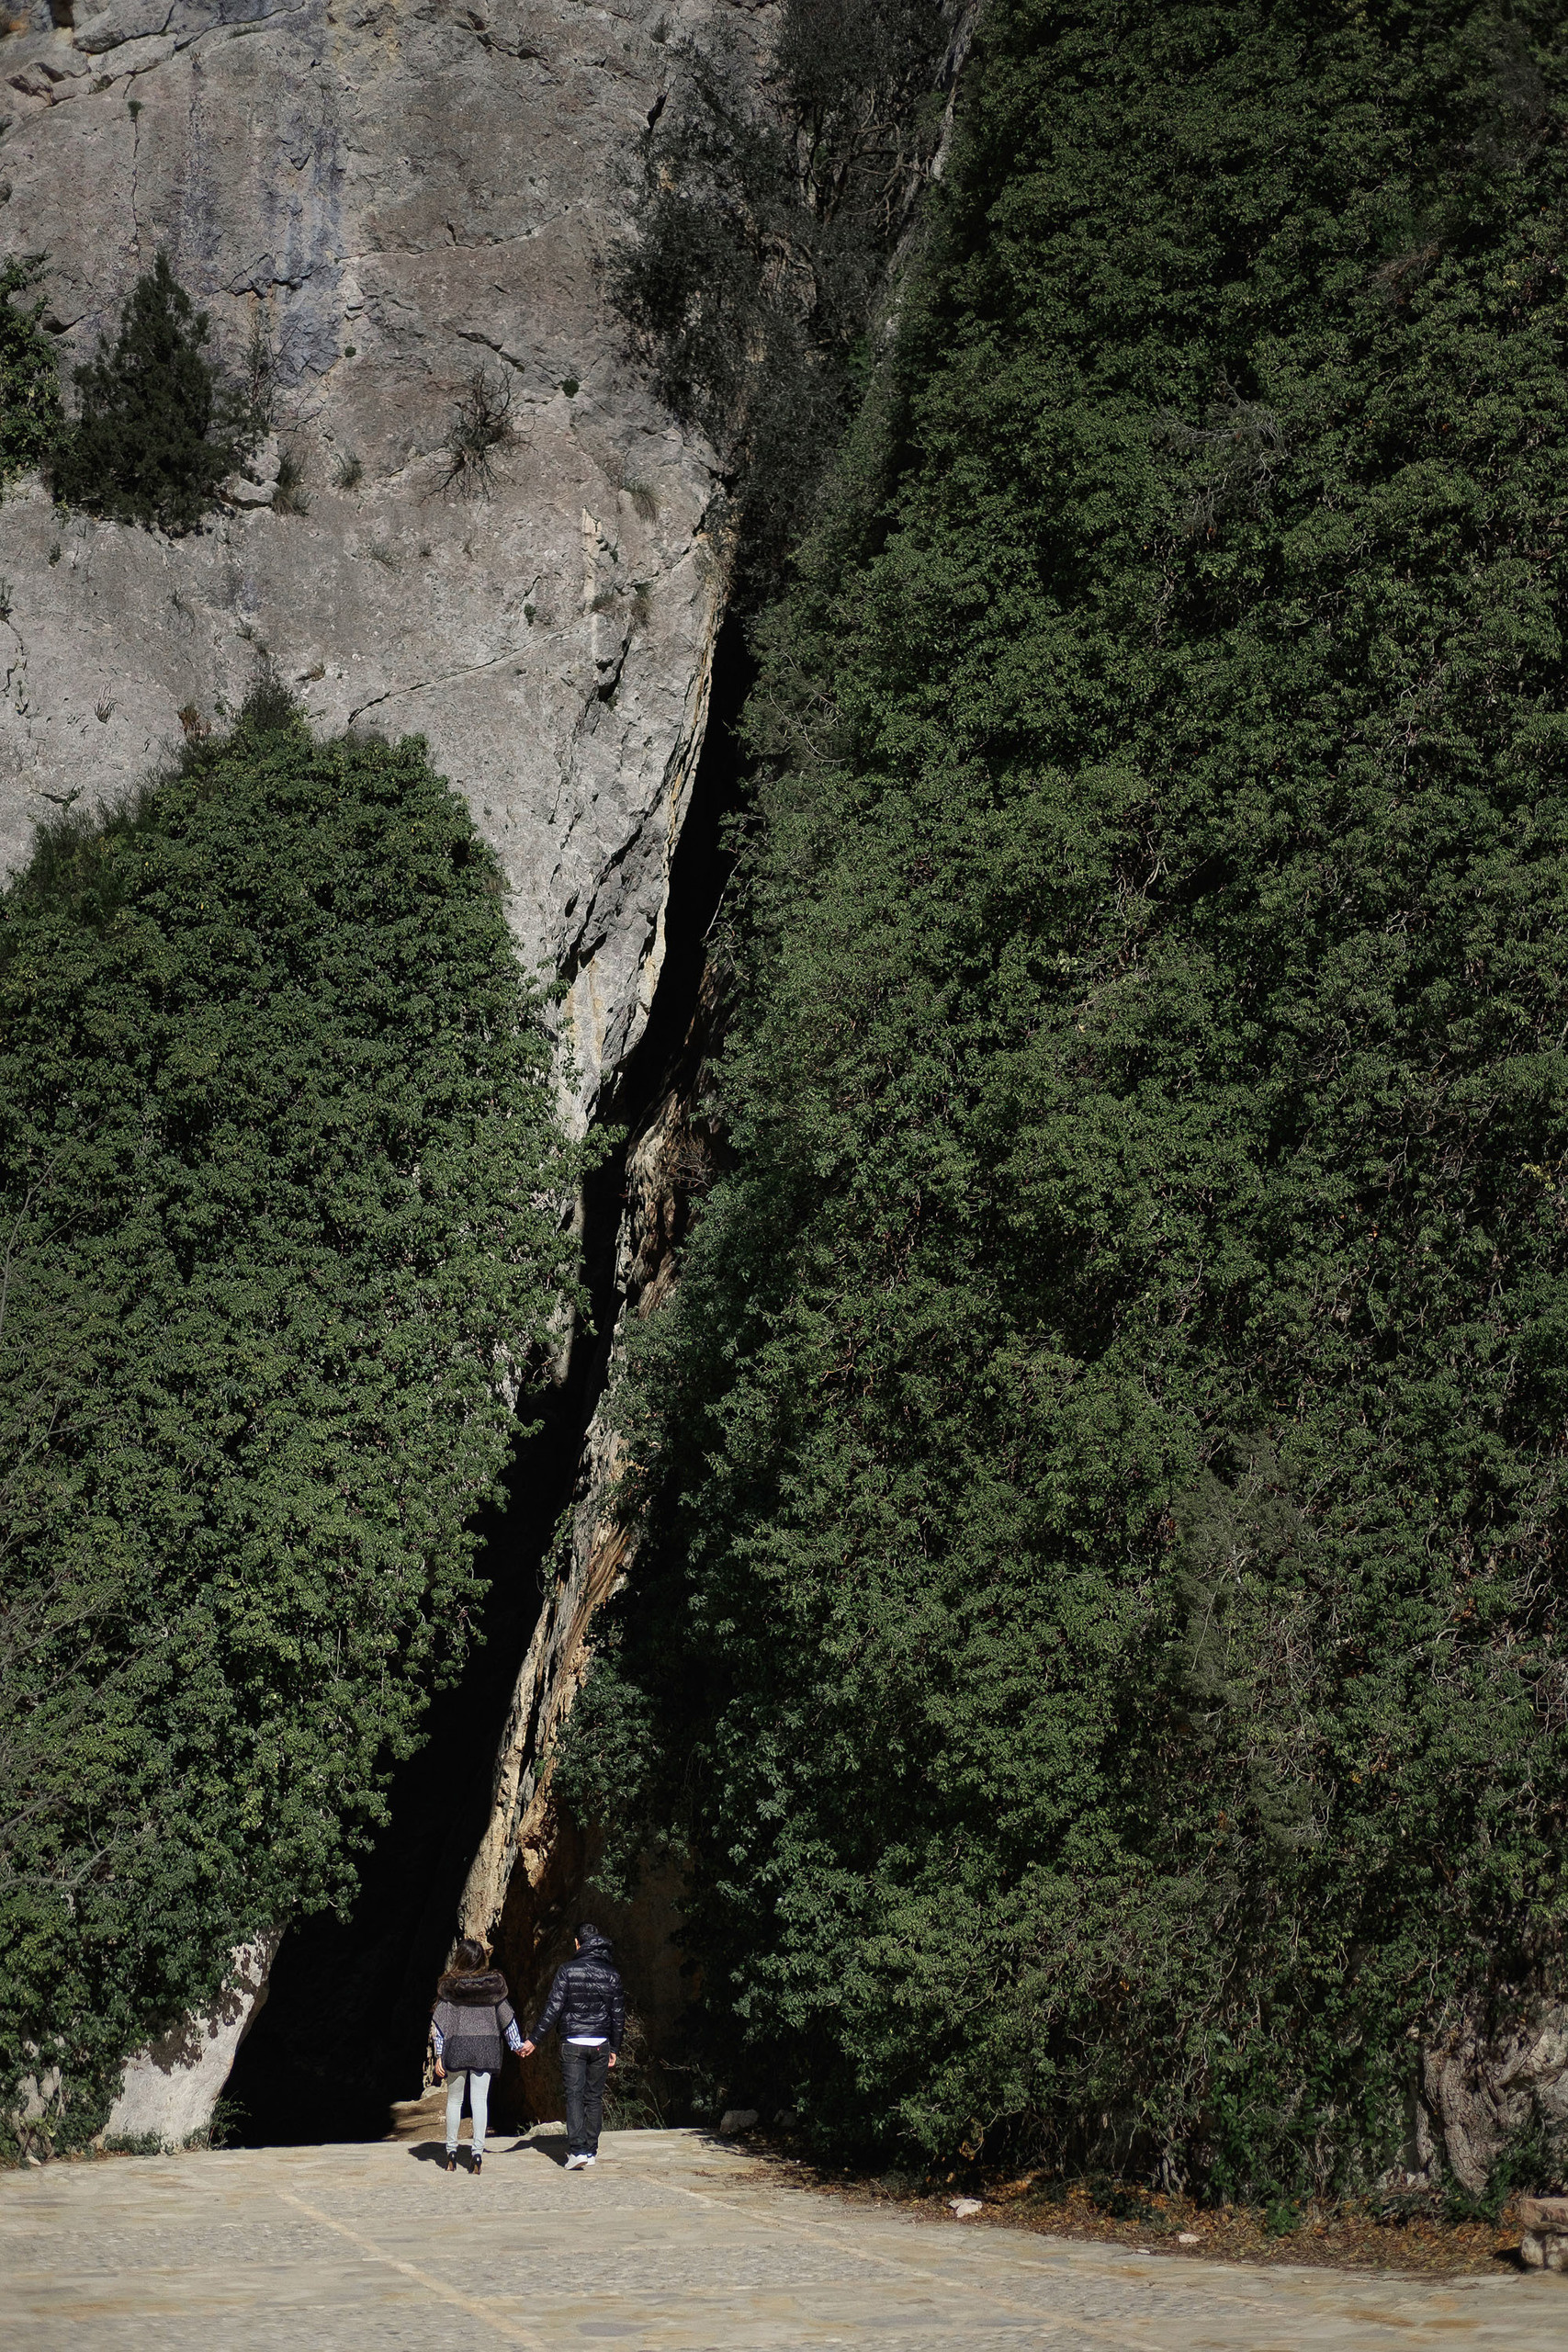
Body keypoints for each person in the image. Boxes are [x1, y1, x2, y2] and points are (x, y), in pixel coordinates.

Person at [519, 1922, 625, 2170]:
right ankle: (591, 2150)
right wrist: (615, 2048)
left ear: (578, 1943)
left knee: (574, 2096)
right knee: (594, 2098)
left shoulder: (567, 1970)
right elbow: (618, 2015)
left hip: (573, 2043)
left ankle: (577, 2151)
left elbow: (552, 2009)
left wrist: (534, 2039)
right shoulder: (613, 1974)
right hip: (600, 2043)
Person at [430, 1939, 523, 2175]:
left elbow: (439, 2025)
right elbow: (507, 2019)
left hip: (457, 2046)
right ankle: (477, 2154)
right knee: (479, 2101)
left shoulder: (451, 1987)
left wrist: (439, 2055)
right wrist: (517, 2045)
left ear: (459, 1958)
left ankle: (451, 2151)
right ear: (482, 1959)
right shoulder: (493, 1987)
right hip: (485, 2047)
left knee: (454, 2100)